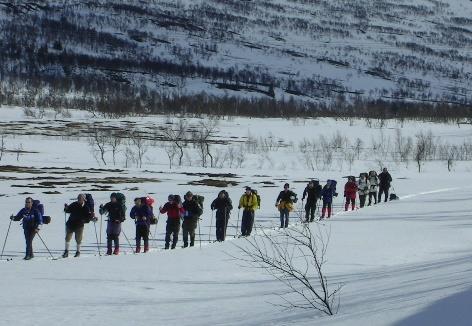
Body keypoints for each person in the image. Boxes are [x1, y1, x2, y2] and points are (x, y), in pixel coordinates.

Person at [63, 194, 94, 258]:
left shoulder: (86, 207)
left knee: (78, 239)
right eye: (78, 198)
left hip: (79, 225)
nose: (79, 199)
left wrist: (89, 218)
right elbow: (68, 210)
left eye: (80, 198)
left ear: (84, 199)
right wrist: (66, 208)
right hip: (70, 223)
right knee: (67, 238)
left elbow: (88, 217)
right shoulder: (74, 204)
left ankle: (78, 251)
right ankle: (66, 251)